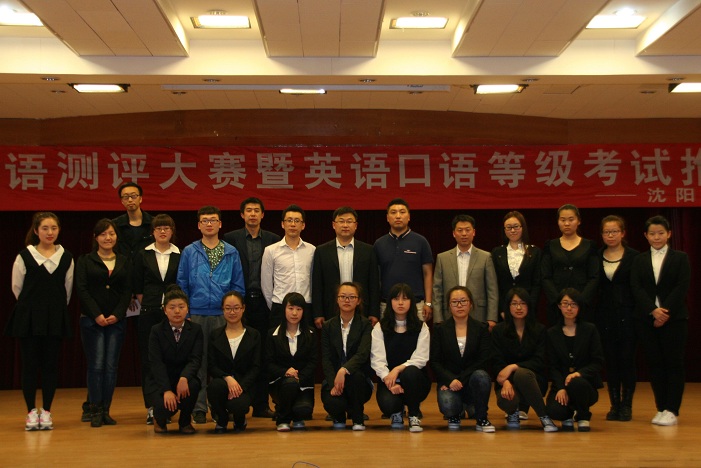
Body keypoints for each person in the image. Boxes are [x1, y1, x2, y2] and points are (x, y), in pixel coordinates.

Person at [177, 205, 246, 424]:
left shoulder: (231, 252)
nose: (209, 224)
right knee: (198, 362)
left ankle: (219, 407)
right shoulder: (189, 251)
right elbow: (182, 283)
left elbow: (238, 286)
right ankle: (198, 407)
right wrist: (186, 312)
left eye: (213, 220)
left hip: (222, 315)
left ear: (220, 224)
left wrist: (232, 312)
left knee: (221, 363)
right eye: (205, 220)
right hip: (196, 314)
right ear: (199, 225)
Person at [6, 212, 74, 431]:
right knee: (29, 365)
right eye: (45, 228)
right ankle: (30, 412)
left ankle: (46, 411)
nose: (50, 232)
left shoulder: (66, 257)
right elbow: (17, 288)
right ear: (36, 231)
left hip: (54, 318)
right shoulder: (25, 256)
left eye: (54, 228)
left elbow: (67, 290)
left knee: (50, 366)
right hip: (29, 318)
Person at [223, 197, 281, 418]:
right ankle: (235, 402)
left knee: (264, 355)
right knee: (239, 354)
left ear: (263, 215)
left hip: (265, 302)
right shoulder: (230, 239)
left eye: (257, 210)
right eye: (249, 210)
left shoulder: (274, 240)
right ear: (242, 214)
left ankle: (261, 405)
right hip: (240, 304)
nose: (253, 214)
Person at [631, 215, 691, 426]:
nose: (656, 237)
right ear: (645, 235)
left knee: (674, 364)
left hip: (674, 319)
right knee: (655, 364)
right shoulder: (639, 259)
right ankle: (661, 407)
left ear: (669, 234)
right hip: (646, 319)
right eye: (652, 234)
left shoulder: (680, 258)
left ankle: (672, 409)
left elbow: (682, 287)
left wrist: (664, 312)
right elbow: (636, 287)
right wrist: (652, 311)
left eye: (661, 233)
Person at [75, 218, 133, 427]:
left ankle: (106, 409)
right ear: (96, 237)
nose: (108, 238)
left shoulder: (124, 261)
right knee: (96, 366)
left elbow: (127, 291)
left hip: (116, 321)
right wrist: (96, 314)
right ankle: (95, 408)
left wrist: (117, 314)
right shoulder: (85, 260)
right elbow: (82, 290)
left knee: (111, 367)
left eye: (111, 234)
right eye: (103, 234)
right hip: (92, 322)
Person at [133, 214, 181, 425]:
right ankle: (152, 406)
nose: (163, 231)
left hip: (174, 314)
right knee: (149, 360)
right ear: (152, 232)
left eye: (166, 228)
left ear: (172, 231)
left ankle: (169, 406)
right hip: (149, 312)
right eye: (159, 228)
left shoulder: (180, 254)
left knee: (172, 358)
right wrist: (150, 304)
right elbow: (137, 285)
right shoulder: (143, 254)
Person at [491, 288, 557, 432]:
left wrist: (513, 366)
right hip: (506, 382)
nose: (519, 307)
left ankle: (544, 416)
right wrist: (505, 382)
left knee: (522, 374)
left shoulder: (539, 330)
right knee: (507, 400)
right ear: (508, 307)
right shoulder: (498, 330)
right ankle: (512, 412)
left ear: (529, 305)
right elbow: (495, 361)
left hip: (533, 381)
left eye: (523, 303)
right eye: (514, 303)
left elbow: (540, 360)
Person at [430, 286, 494, 432]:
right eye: (454, 302)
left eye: (463, 301)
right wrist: (449, 380)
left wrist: (459, 380)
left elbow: (484, 360)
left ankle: (481, 418)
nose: (459, 305)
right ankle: (456, 413)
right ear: (449, 306)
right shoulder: (440, 330)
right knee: (448, 404)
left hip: (471, 381)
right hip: (450, 381)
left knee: (482, 376)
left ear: (471, 304)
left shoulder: (481, 328)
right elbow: (435, 362)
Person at [371, 283, 430, 432]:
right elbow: (377, 359)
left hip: (415, 381)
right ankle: (397, 412)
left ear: (412, 302)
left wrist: (397, 369)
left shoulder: (421, 327)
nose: (401, 303)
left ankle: (414, 415)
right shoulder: (380, 327)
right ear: (390, 302)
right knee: (389, 404)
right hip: (389, 381)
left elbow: (421, 358)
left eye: (405, 298)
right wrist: (389, 380)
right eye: (396, 299)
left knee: (410, 371)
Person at [596, 215, 639, 422]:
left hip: (628, 315)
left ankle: (626, 405)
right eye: (606, 232)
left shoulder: (634, 257)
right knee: (611, 362)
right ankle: (614, 405)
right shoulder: (596, 256)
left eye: (614, 231)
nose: (610, 235)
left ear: (622, 233)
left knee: (627, 361)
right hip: (604, 316)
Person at [145, 285, 203, 435]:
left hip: (183, 378)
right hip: (161, 381)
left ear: (187, 308)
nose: (177, 311)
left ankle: (185, 422)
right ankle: (160, 419)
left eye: (181, 307)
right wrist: (166, 390)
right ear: (165, 310)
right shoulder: (156, 331)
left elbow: (195, 359)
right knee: (164, 408)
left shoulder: (196, 329)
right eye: (172, 307)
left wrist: (184, 378)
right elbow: (156, 363)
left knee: (194, 384)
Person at [545, 288, 604, 432]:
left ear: (579, 307)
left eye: (573, 304)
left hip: (585, 385)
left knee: (576, 382)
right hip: (561, 384)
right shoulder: (552, 333)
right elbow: (552, 366)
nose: (569, 308)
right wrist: (561, 388)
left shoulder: (590, 330)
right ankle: (568, 415)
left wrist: (579, 373)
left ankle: (583, 415)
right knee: (554, 411)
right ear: (559, 306)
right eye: (565, 304)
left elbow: (597, 361)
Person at [312, 206, 380, 328]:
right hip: (331, 308)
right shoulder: (321, 251)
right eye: (341, 221)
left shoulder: (368, 251)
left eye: (349, 221)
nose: (345, 225)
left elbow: (374, 284)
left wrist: (374, 312)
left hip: (361, 308)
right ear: (334, 225)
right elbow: (317, 284)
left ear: (356, 225)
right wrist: (318, 313)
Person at [321, 282, 374, 431]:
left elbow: (362, 354)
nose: (347, 300)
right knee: (333, 403)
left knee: (356, 377)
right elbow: (326, 359)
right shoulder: (328, 326)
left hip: (358, 380)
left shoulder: (365, 325)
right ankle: (338, 415)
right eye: (343, 296)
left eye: (351, 297)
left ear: (358, 301)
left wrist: (343, 370)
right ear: (337, 299)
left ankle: (358, 418)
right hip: (334, 379)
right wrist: (333, 383)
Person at [207, 291, 261, 433]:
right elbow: (211, 365)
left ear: (243, 308)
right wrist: (227, 378)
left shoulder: (254, 335)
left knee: (239, 405)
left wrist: (240, 387)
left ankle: (239, 419)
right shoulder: (215, 335)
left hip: (245, 385)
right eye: (228, 308)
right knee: (214, 387)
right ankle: (222, 418)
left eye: (236, 308)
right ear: (222, 310)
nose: (232, 312)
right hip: (223, 383)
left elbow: (256, 367)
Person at [433, 214, 498, 329]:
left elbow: (492, 290)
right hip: (449, 315)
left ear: (474, 232)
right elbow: (437, 290)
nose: (464, 234)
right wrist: (438, 318)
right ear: (454, 233)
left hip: (478, 314)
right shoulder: (442, 258)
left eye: (467, 230)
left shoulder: (485, 257)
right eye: (460, 230)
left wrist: (492, 318)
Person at [374, 198, 433, 321]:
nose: (398, 216)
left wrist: (428, 302)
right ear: (387, 217)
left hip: (416, 304)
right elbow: (375, 277)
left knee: (417, 334)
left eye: (402, 212)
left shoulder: (421, 241)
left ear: (409, 216)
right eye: (393, 212)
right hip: (387, 304)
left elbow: (428, 273)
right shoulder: (379, 244)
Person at [266, 292, 317, 431]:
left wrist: (299, 377)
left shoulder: (311, 334)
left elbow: (313, 362)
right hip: (280, 382)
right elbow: (269, 363)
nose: (294, 313)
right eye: (290, 308)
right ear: (284, 309)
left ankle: (295, 415)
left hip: (303, 383)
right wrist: (286, 372)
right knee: (289, 384)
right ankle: (283, 420)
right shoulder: (272, 334)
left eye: (299, 309)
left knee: (304, 410)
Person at [541, 204, 599, 325]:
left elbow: (594, 276)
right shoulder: (550, 245)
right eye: (563, 220)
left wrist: (580, 301)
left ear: (579, 221)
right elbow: (545, 276)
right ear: (558, 222)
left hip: (583, 304)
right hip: (557, 305)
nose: (567, 223)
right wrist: (559, 301)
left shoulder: (590, 245)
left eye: (571, 219)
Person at [261, 204, 315, 328]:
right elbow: (266, 284)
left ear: (303, 225)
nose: (293, 224)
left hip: (305, 307)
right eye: (289, 220)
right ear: (282, 224)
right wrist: (275, 305)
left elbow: (313, 280)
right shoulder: (271, 250)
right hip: (280, 306)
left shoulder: (312, 250)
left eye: (297, 221)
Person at [491, 210, 542, 318]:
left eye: (516, 226)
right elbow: (495, 284)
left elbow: (536, 284)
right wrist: (501, 309)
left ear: (523, 227)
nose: (512, 230)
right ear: (504, 230)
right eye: (509, 227)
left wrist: (530, 307)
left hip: (527, 308)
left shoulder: (535, 252)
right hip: (504, 308)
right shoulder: (497, 252)